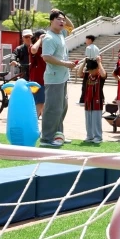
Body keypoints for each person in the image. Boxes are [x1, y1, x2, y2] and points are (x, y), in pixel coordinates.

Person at [37, 10, 72, 147]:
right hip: (54, 79)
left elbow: (71, 27)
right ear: (51, 21)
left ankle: (58, 135)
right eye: (58, 19)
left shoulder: (61, 34)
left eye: (63, 19)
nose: (62, 21)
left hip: (63, 77)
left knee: (62, 107)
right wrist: (65, 64)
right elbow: (46, 57)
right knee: (52, 109)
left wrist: (63, 14)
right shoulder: (49, 38)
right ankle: (46, 138)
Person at [82, 59, 106, 144]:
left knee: (96, 120)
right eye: (90, 70)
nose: (91, 72)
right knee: (88, 120)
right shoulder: (87, 76)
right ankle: (90, 136)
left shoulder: (100, 76)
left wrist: (99, 62)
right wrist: (84, 62)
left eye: (93, 70)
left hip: (97, 101)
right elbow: (79, 73)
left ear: (97, 68)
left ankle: (98, 137)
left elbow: (104, 74)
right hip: (88, 101)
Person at [29, 30, 47, 118]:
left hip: (46, 79)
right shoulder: (33, 47)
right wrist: (40, 39)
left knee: (44, 104)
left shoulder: (46, 48)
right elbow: (33, 50)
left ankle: (45, 125)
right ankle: (33, 122)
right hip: (38, 80)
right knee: (39, 103)